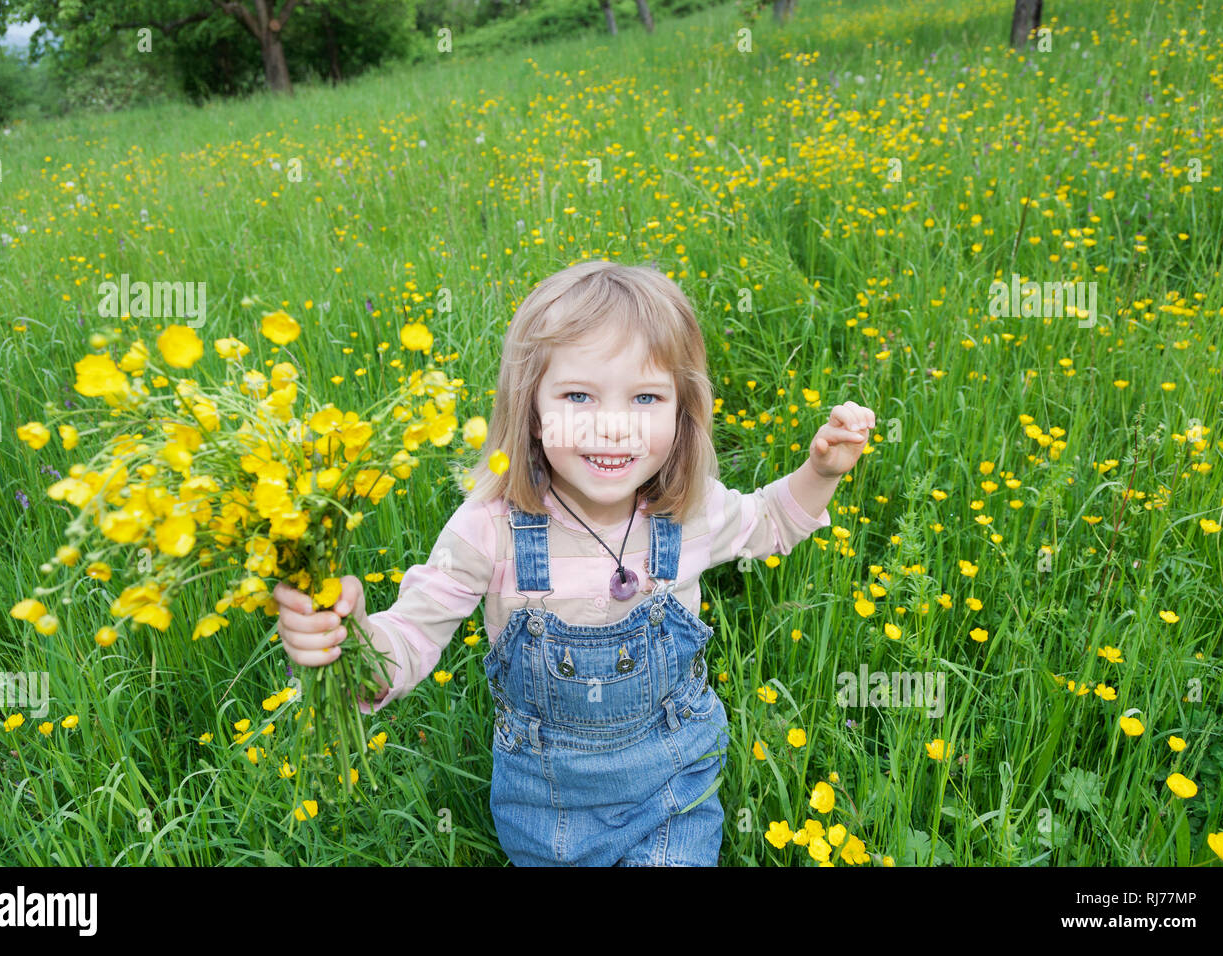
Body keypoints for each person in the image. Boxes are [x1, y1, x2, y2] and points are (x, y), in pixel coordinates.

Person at [272, 259, 874, 865]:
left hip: (675, 789)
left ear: (681, 411)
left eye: (645, 397)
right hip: (548, 814)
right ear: (530, 410)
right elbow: (407, 639)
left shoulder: (690, 511)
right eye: (579, 395)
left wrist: (818, 473)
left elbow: (771, 523)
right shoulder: (490, 529)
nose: (612, 426)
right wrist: (343, 637)